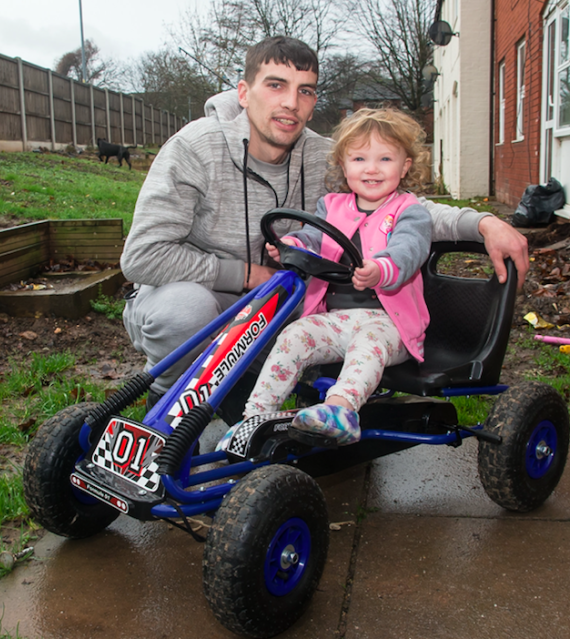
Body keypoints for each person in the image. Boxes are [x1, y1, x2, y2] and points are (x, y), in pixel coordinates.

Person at [120, 35, 529, 422]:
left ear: (314, 102)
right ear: (244, 93)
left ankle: (268, 409)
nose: (291, 103)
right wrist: (248, 274)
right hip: (199, 295)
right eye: (276, 85)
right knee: (184, 311)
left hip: (276, 303)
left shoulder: (321, 155)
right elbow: (143, 256)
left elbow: (396, 207)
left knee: (299, 333)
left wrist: (484, 222)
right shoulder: (195, 147)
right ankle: (168, 405)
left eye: (306, 90)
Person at [238, 107, 431, 446]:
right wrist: (292, 245)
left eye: (385, 159)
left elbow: (408, 250)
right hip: (337, 319)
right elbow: (315, 238)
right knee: (295, 333)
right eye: (359, 159)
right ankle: (255, 416)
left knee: (367, 344)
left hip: (390, 325)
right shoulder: (333, 205)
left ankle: (340, 410)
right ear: (344, 166)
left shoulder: (409, 211)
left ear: (405, 166)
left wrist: (380, 269)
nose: (371, 169)